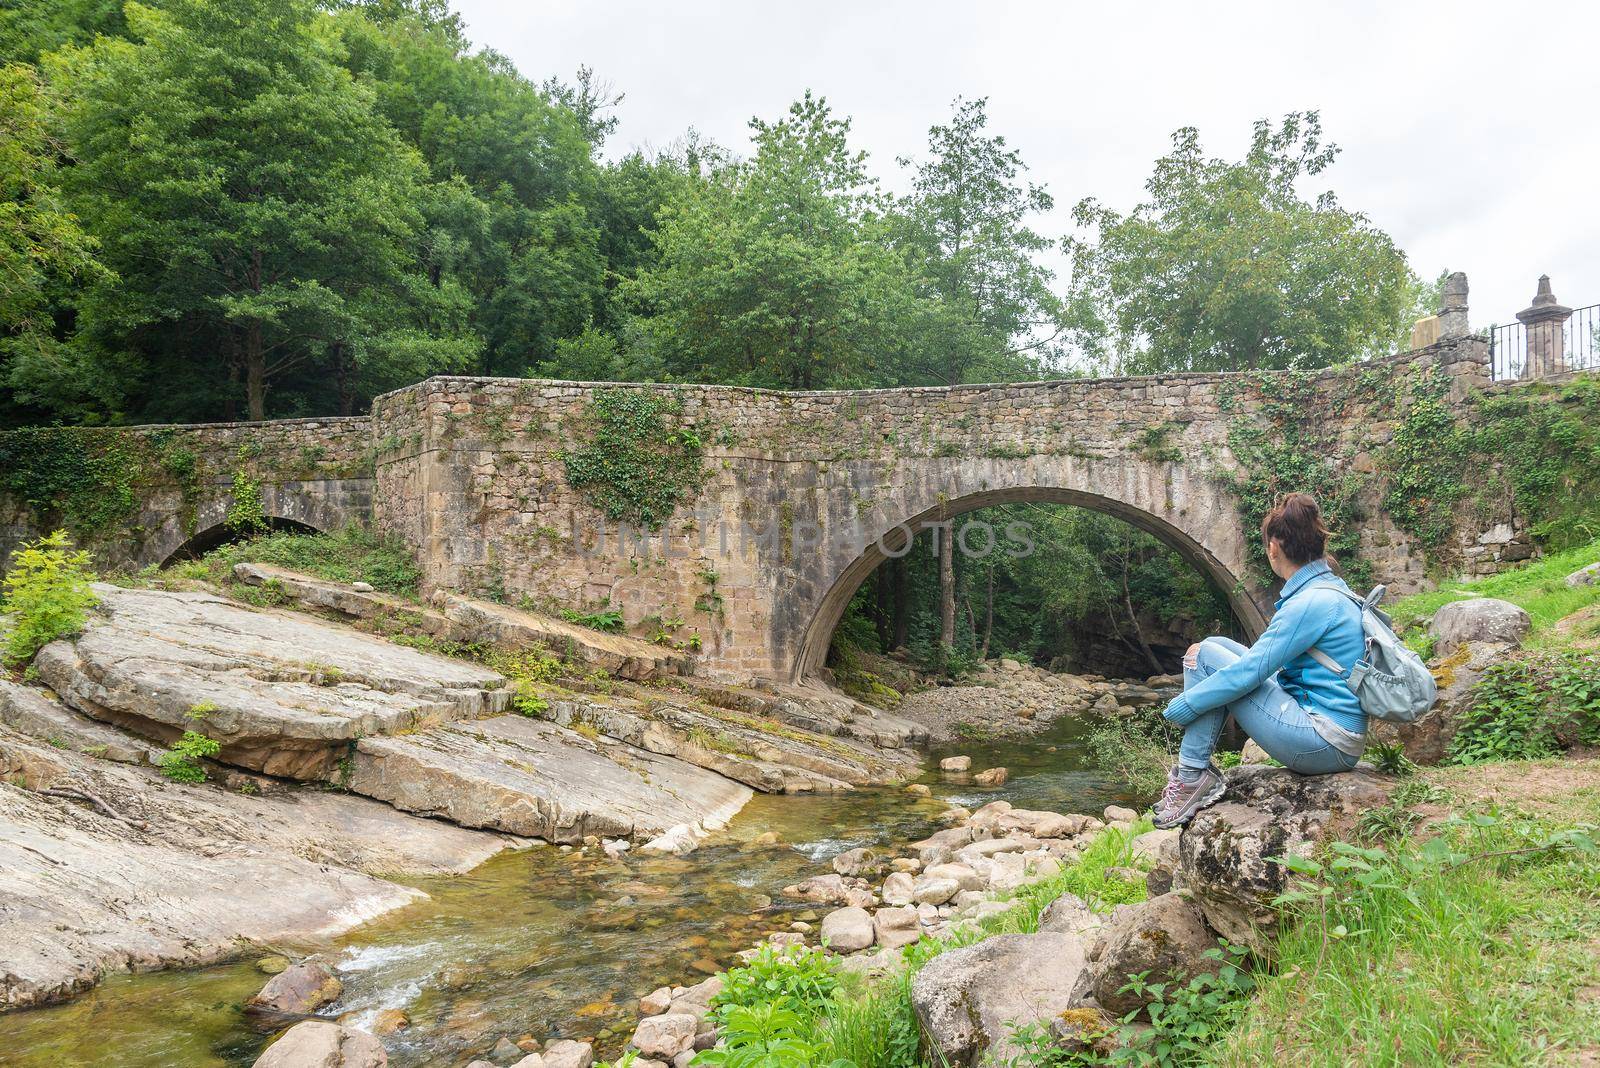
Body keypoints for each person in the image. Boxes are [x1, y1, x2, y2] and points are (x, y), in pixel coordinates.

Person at [1150, 493, 1367, 829]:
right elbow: (1267, 666)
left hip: (1324, 743)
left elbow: (1249, 673)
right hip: (1332, 733)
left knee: (1206, 655)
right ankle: (1193, 774)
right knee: (1212, 645)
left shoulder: (1308, 604)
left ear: (1273, 548)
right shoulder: (1329, 590)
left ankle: (1192, 775)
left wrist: (1184, 705)